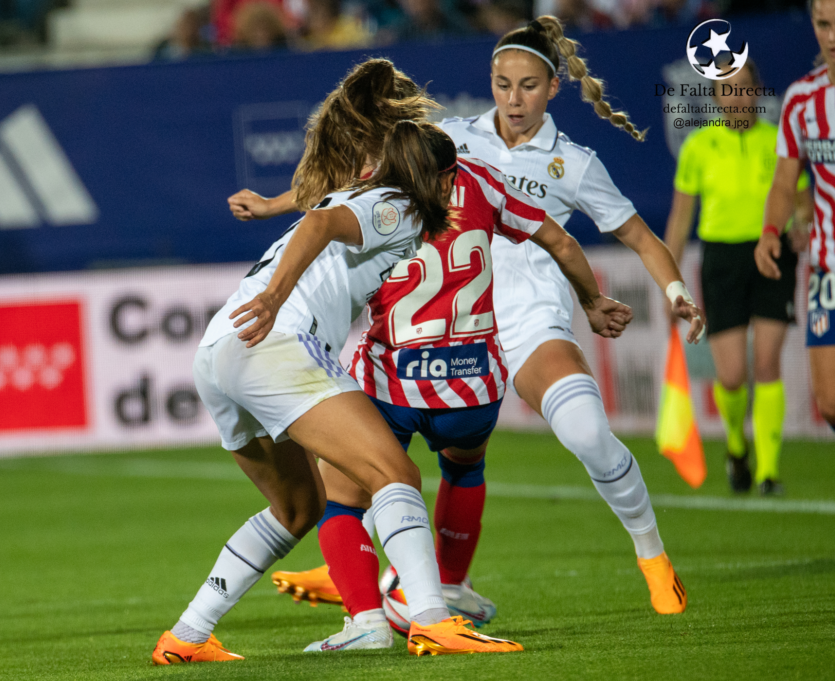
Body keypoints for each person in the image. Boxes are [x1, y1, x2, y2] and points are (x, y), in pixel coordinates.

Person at [259, 17, 704, 624]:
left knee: (585, 436)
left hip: (530, 323)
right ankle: (404, 580)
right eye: (501, 83)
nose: (512, 99)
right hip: (452, 325)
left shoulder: (573, 164)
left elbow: (641, 238)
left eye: (526, 86)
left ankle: (652, 556)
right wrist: (277, 203)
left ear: (552, 88)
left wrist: (675, 289)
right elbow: (355, 181)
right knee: (419, 460)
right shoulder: (448, 137)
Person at [152, 110, 528, 665]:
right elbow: (320, 224)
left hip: (219, 351)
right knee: (394, 473)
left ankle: (186, 636)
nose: (456, 185)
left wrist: (275, 206)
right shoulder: (399, 207)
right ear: (439, 178)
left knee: (300, 507)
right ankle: (432, 620)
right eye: (451, 175)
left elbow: (323, 207)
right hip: (274, 339)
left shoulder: (367, 193)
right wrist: (279, 298)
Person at [665, 64, 812, 496]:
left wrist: (802, 223)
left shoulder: (778, 143)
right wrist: (669, 281)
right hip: (722, 260)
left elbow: (804, 204)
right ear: (714, 97)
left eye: (745, 89)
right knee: (731, 376)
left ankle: (768, 472)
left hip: (773, 253)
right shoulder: (699, 145)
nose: (737, 98)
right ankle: (735, 445)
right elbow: (679, 220)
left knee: (767, 362)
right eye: (727, 91)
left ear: (758, 92)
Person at [755, 0, 835, 470]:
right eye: (824, 24)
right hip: (833, 268)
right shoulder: (802, 99)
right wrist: (770, 231)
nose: (834, 35)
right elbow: (785, 180)